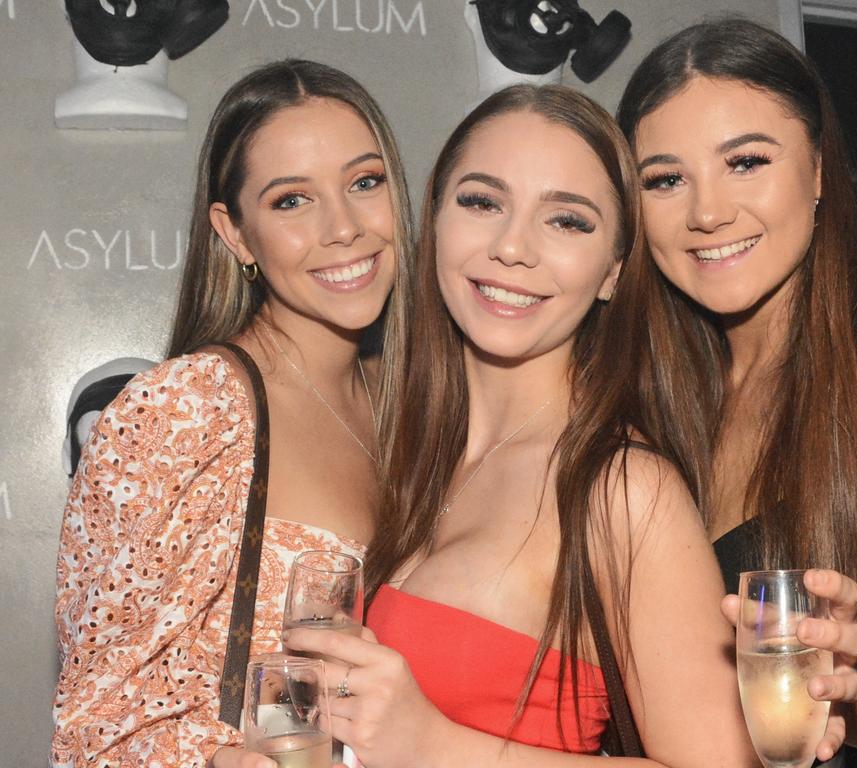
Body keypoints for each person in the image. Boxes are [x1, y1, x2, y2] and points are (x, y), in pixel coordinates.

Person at [284, 84, 758, 766]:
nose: (512, 248)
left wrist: (432, 744)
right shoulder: (409, 451)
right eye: (482, 202)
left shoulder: (621, 488)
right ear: (436, 222)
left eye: (567, 221)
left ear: (612, 274)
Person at [616, 18, 857, 763]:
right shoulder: (647, 399)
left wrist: (850, 686)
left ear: (821, 171)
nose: (706, 213)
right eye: (665, 179)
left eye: (746, 162)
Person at [51, 59, 413, 768]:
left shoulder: (412, 411)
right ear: (236, 232)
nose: (343, 228)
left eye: (364, 183)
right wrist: (214, 760)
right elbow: (93, 724)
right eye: (291, 201)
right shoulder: (186, 410)